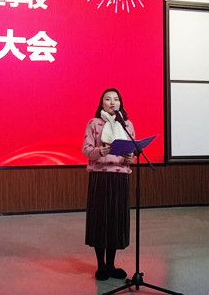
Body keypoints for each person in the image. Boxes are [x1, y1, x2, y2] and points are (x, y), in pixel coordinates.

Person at [82, 88, 135, 281]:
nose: (113, 102)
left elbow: (132, 154)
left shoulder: (127, 125)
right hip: (100, 176)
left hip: (120, 177)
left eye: (116, 99)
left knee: (115, 220)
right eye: (108, 99)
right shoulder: (94, 123)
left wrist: (130, 157)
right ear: (101, 103)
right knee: (100, 219)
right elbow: (86, 150)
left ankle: (111, 265)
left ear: (120, 103)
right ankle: (101, 266)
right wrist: (100, 152)